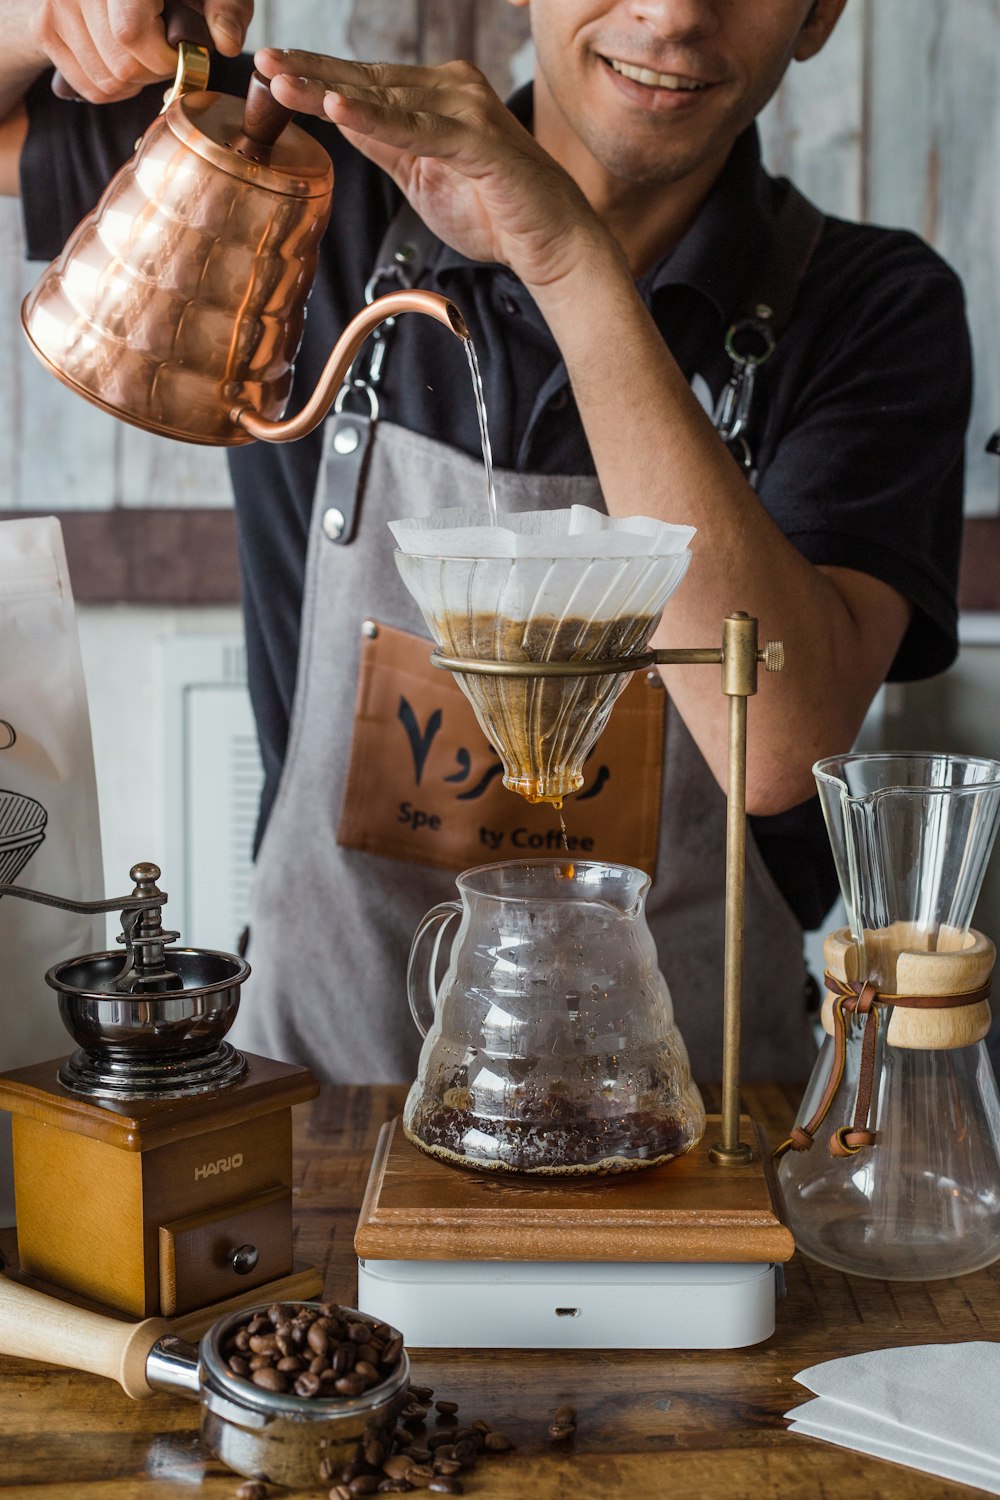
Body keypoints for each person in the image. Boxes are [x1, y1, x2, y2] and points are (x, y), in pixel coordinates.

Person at [0, 1, 971, 1085]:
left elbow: (782, 747)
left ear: (819, 14)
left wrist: (567, 260)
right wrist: (39, 22)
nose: (674, 16)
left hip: (695, 1142)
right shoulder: (318, 190)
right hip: (319, 1119)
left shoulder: (874, 309)